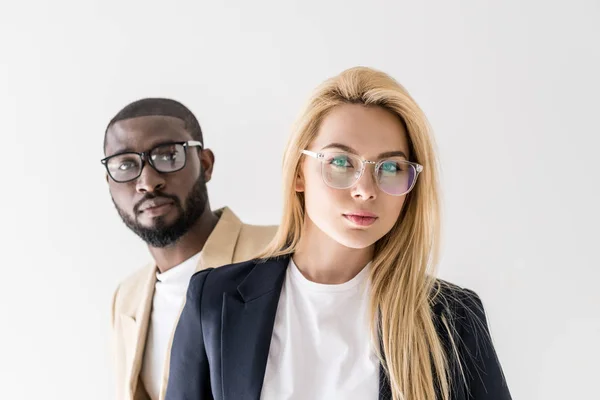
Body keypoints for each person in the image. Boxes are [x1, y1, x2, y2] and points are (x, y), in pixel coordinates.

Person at [165, 68, 512, 400]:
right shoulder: (214, 300)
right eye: (341, 163)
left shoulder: (452, 318)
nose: (365, 190)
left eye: (390, 167)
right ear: (299, 173)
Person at [105, 98, 276, 400]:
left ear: (206, 164)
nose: (147, 182)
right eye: (126, 164)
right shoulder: (126, 297)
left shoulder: (278, 254)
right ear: (109, 183)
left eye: (168, 156)